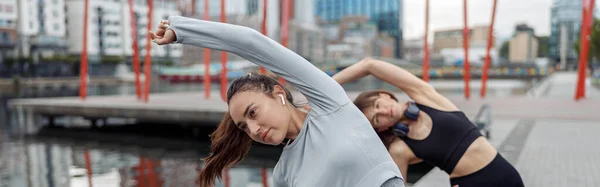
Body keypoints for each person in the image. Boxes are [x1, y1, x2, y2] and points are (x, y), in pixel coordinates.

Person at [149, 16, 404, 187]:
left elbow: (252, 42)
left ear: (279, 94)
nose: (253, 129)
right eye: (244, 127)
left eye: (253, 113)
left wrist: (181, 30)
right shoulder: (283, 173)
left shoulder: (329, 105)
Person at [332, 58, 524, 187]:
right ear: (380, 128)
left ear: (384, 95)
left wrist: (326, 85)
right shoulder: (400, 149)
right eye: (376, 118)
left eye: (377, 104)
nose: (383, 111)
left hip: (505, 176)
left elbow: (369, 65)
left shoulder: (427, 98)